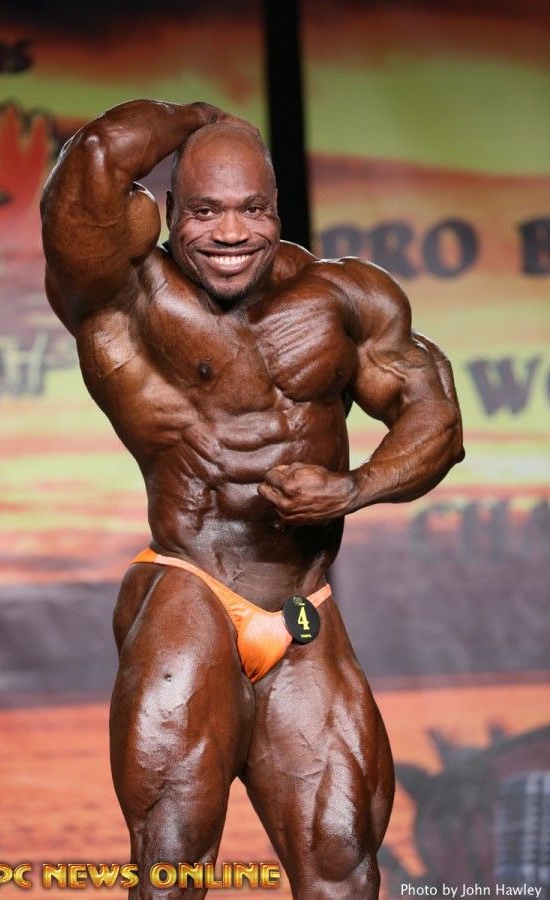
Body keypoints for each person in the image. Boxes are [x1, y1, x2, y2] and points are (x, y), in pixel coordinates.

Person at [41, 99, 464, 899]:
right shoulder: (122, 295)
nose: (230, 233)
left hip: (304, 607)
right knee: (171, 864)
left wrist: (354, 487)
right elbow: (95, 156)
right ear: (169, 211)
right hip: (192, 585)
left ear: (277, 209)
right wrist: (202, 117)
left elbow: (436, 417)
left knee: (343, 862)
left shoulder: (344, 298)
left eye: (251, 209)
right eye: (204, 211)